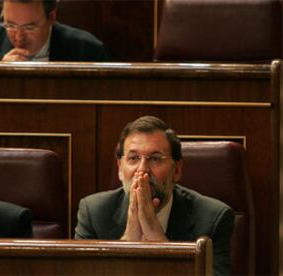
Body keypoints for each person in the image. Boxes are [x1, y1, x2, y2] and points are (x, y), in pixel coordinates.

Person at [74, 115, 234, 276]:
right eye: (134, 158)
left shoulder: (213, 219)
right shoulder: (93, 212)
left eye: (155, 159)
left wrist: (156, 237)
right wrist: (128, 240)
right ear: (120, 169)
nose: (142, 170)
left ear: (177, 170)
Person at [0, 0, 109, 62]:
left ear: (52, 17)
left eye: (29, 28)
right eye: (10, 25)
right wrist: (0, 78)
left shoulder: (88, 51)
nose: (19, 37)